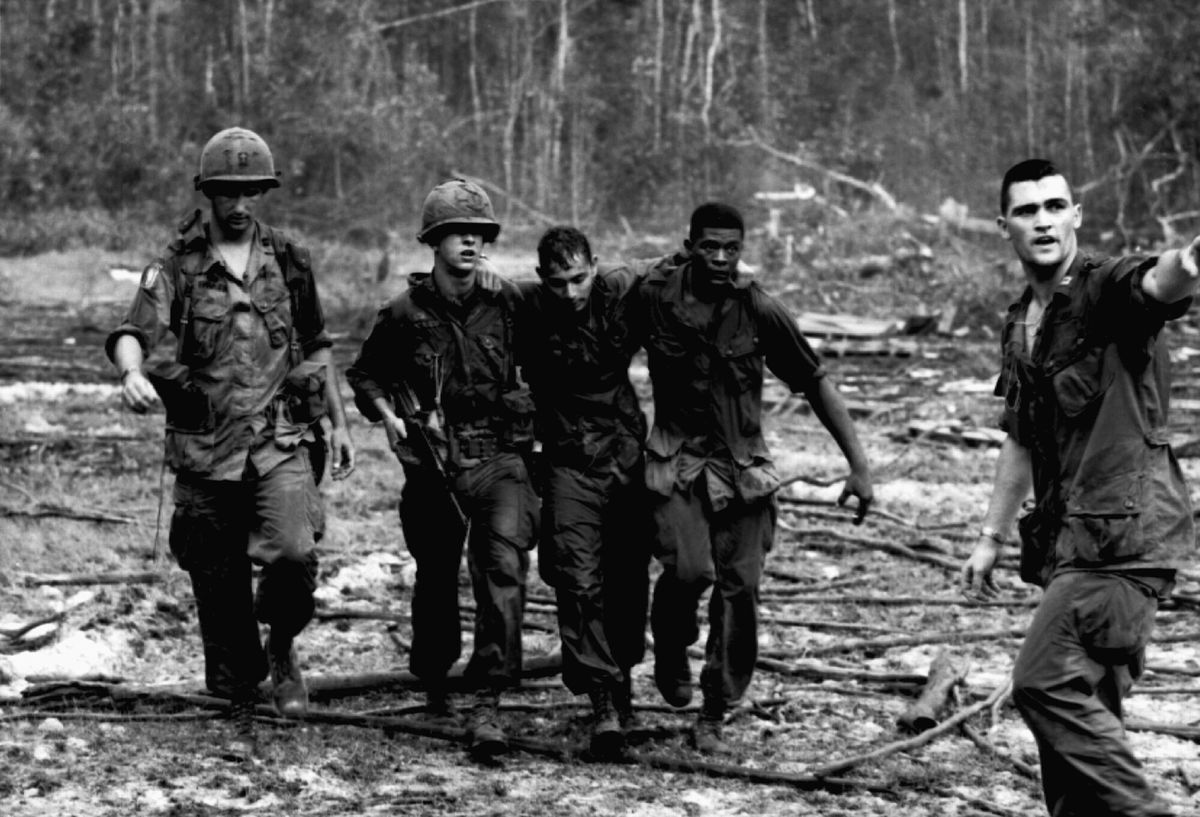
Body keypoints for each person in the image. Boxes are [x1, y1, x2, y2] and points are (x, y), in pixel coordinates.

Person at [106, 126, 356, 761]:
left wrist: (341, 424)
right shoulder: (179, 264)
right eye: (227, 192)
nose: (240, 204)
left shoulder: (291, 262)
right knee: (218, 591)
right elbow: (134, 328)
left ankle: (283, 645)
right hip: (207, 446)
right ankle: (245, 682)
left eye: (251, 191)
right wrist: (133, 372)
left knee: (294, 555)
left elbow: (319, 344)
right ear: (208, 193)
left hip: (280, 438)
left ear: (263, 192)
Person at [961, 158, 1198, 817]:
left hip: (1124, 539)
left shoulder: (1105, 291)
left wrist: (1191, 256)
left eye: (1055, 205)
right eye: (1028, 209)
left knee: (1040, 684)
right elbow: (1020, 438)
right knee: (1084, 723)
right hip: (1075, 543)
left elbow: (1159, 281)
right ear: (1002, 223)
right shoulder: (1022, 322)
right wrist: (989, 536)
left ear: (1076, 215)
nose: (1043, 219)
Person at [635, 202, 873, 754]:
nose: (720, 259)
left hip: (742, 471)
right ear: (689, 245)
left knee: (740, 591)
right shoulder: (654, 298)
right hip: (676, 465)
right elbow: (601, 348)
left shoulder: (760, 309)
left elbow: (815, 382)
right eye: (710, 247)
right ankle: (671, 647)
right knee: (689, 571)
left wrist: (859, 467)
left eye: (731, 249)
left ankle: (715, 711)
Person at [346, 178, 538, 759]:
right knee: (435, 575)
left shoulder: (510, 303)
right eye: (458, 234)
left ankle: (488, 702)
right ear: (434, 241)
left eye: (479, 235)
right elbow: (365, 375)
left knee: (502, 568)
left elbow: (547, 367)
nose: (470, 244)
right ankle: (433, 675)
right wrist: (387, 416)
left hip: (500, 460)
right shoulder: (404, 312)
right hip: (433, 463)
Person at [514, 226, 650, 756]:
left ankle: (624, 679)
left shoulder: (621, 290)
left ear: (594, 265)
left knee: (629, 574)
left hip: (624, 454)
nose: (570, 292)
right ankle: (602, 701)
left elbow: (664, 266)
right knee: (575, 576)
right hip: (568, 458)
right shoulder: (524, 304)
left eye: (578, 278)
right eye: (557, 282)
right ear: (540, 278)